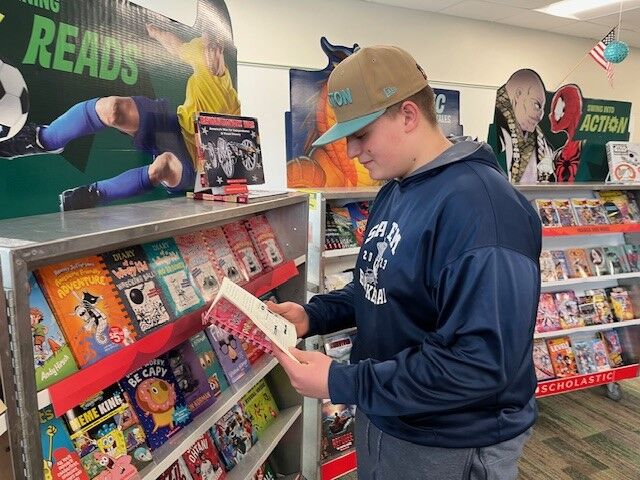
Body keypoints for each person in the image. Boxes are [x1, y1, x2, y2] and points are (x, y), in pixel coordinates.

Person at [269, 45, 541, 479]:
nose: (353, 152)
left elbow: (480, 364)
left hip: (451, 440)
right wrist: (310, 316)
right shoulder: (396, 188)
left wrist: (344, 382)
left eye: (362, 134)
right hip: (388, 416)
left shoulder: (485, 211)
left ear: (409, 115)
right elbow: (377, 285)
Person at [0, 25, 240, 211]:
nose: (208, 50)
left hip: (195, 163)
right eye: (207, 43)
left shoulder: (231, 102)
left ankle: (94, 194)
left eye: (214, 49)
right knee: (113, 108)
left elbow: (235, 153)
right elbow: (178, 47)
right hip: (175, 124)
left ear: (221, 54)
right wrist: (156, 32)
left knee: (164, 165)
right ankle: (44, 139)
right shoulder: (200, 51)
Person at [494, 68, 554, 183]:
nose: (540, 116)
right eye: (536, 105)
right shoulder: (494, 132)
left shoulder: (542, 142)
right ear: (518, 95)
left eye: (542, 109)